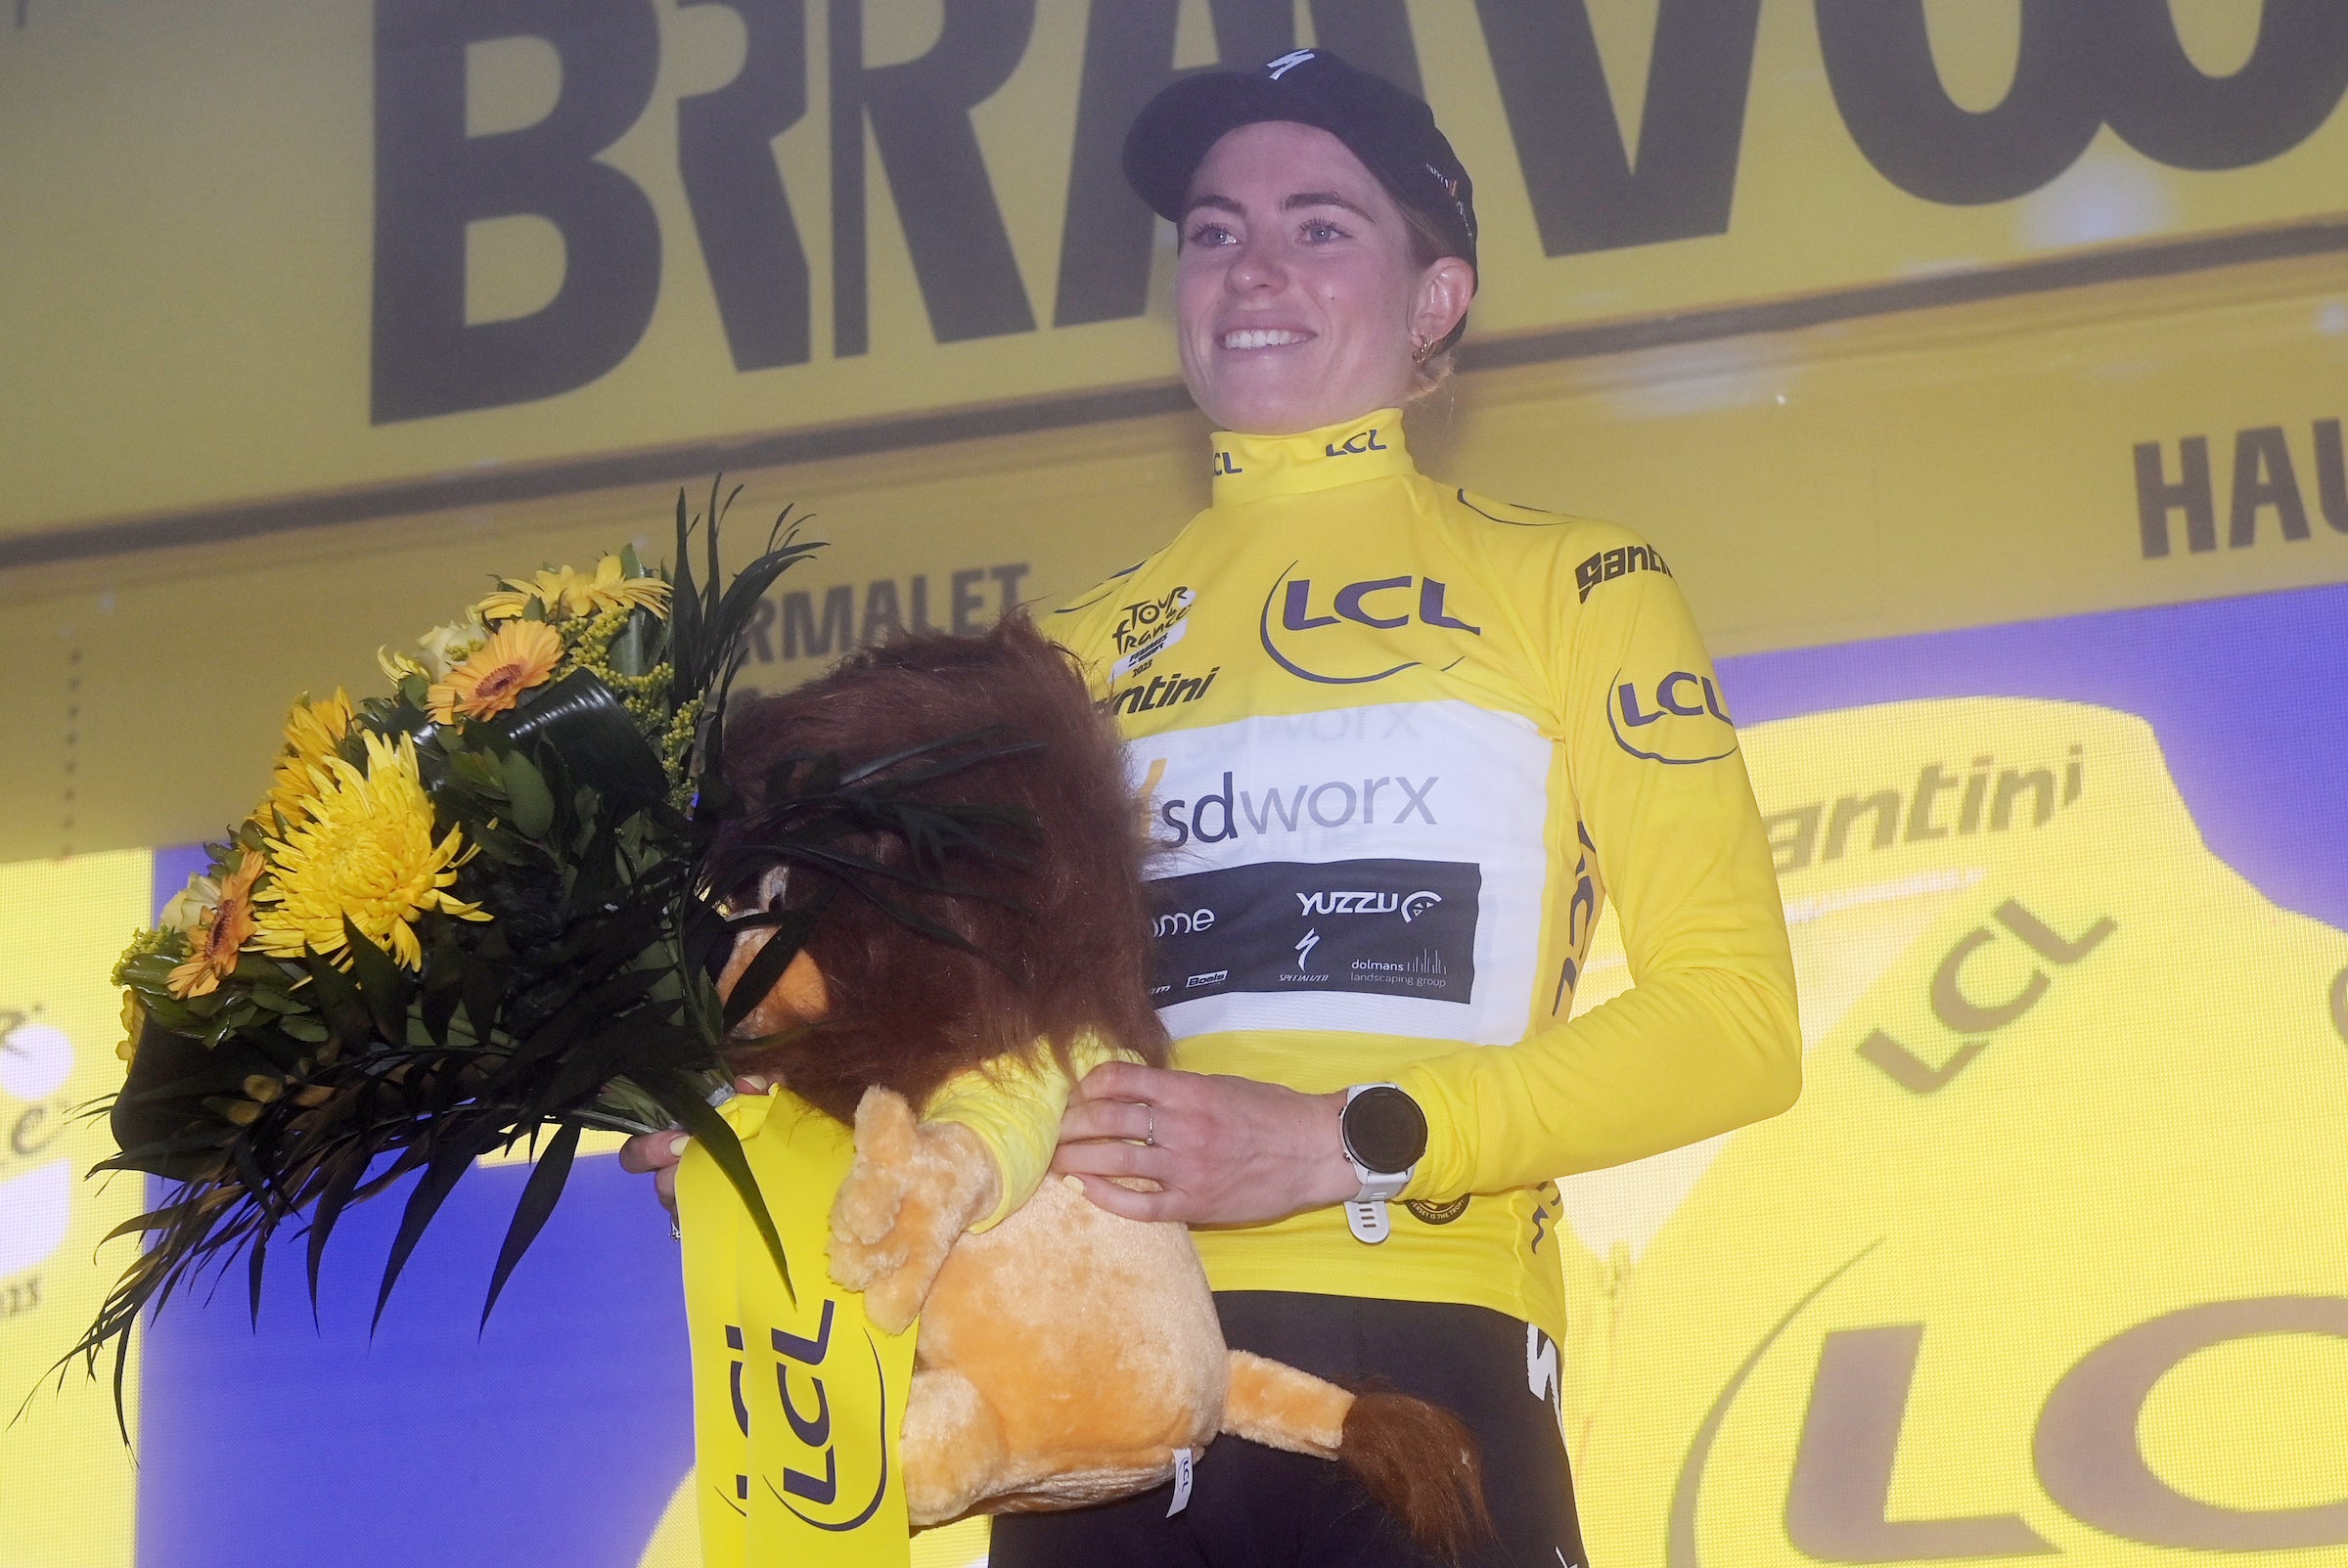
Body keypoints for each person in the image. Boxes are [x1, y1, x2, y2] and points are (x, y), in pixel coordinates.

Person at [631, 50, 1800, 1568]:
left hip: (1422, 1350)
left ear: (1436, 296)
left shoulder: (1577, 586)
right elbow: (943, 1042)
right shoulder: (1051, 665)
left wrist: (1336, 1141)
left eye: (1320, 226)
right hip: (1097, 1377)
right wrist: (765, 1145)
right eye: (1213, 231)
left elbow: (1734, 1023)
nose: (1253, 268)